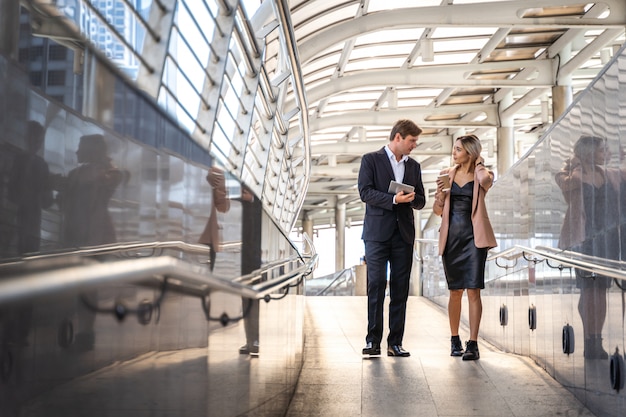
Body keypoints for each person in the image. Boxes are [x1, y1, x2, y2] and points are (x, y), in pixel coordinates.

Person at [357, 119, 426, 357]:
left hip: (403, 236)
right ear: (398, 137)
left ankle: (395, 342)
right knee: (375, 285)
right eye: (411, 140)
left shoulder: (414, 166)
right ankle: (372, 341)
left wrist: (411, 197)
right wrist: (394, 200)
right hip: (376, 235)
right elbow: (365, 192)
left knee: (400, 289)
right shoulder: (371, 160)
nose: (414, 145)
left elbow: (421, 201)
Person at [555, 135, 623, 359]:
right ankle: (588, 338)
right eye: (603, 150)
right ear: (588, 153)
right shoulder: (571, 175)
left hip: (608, 239)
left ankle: (597, 341)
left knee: (601, 290)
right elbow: (566, 183)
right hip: (584, 240)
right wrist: (577, 164)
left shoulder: (611, 174)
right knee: (588, 290)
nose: (607, 154)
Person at [433, 134, 497, 361]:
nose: (454, 152)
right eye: (454, 149)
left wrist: (479, 163)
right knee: (455, 291)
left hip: (474, 240)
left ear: (470, 152)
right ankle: (454, 339)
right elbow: (438, 211)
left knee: (473, 290)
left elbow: (487, 182)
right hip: (452, 239)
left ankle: (473, 342)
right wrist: (440, 196)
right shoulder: (446, 175)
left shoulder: (483, 175)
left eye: (458, 149)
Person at [54, 133, 125, 247]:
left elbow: (117, 177)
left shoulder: (109, 173)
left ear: (91, 151)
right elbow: (63, 203)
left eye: (80, 148)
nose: (77, 152)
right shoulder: (74, 173)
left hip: (99, 235)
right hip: (75, 234)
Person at [8, 121, 53, 254]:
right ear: (27, 138)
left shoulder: (42, 164)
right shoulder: (17, 159)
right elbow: (11, 190)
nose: (37, 144)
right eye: (35, 139)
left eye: (40, 140)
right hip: (17, 215)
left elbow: (47, 199)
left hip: (33, 220)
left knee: (30, 252)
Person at [238, 184, 263, 356]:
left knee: (253, 298)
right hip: (240, 254)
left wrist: (252, 200)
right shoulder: (237, 201)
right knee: (246, 297)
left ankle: (256, 340)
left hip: (255, 256)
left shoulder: (259, 204)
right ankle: (250, 340)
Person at [198, 166, 231, 271]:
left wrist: (218, 191)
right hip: (198, 237)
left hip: (206, 237)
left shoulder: (217, 173)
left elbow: (224, 207)